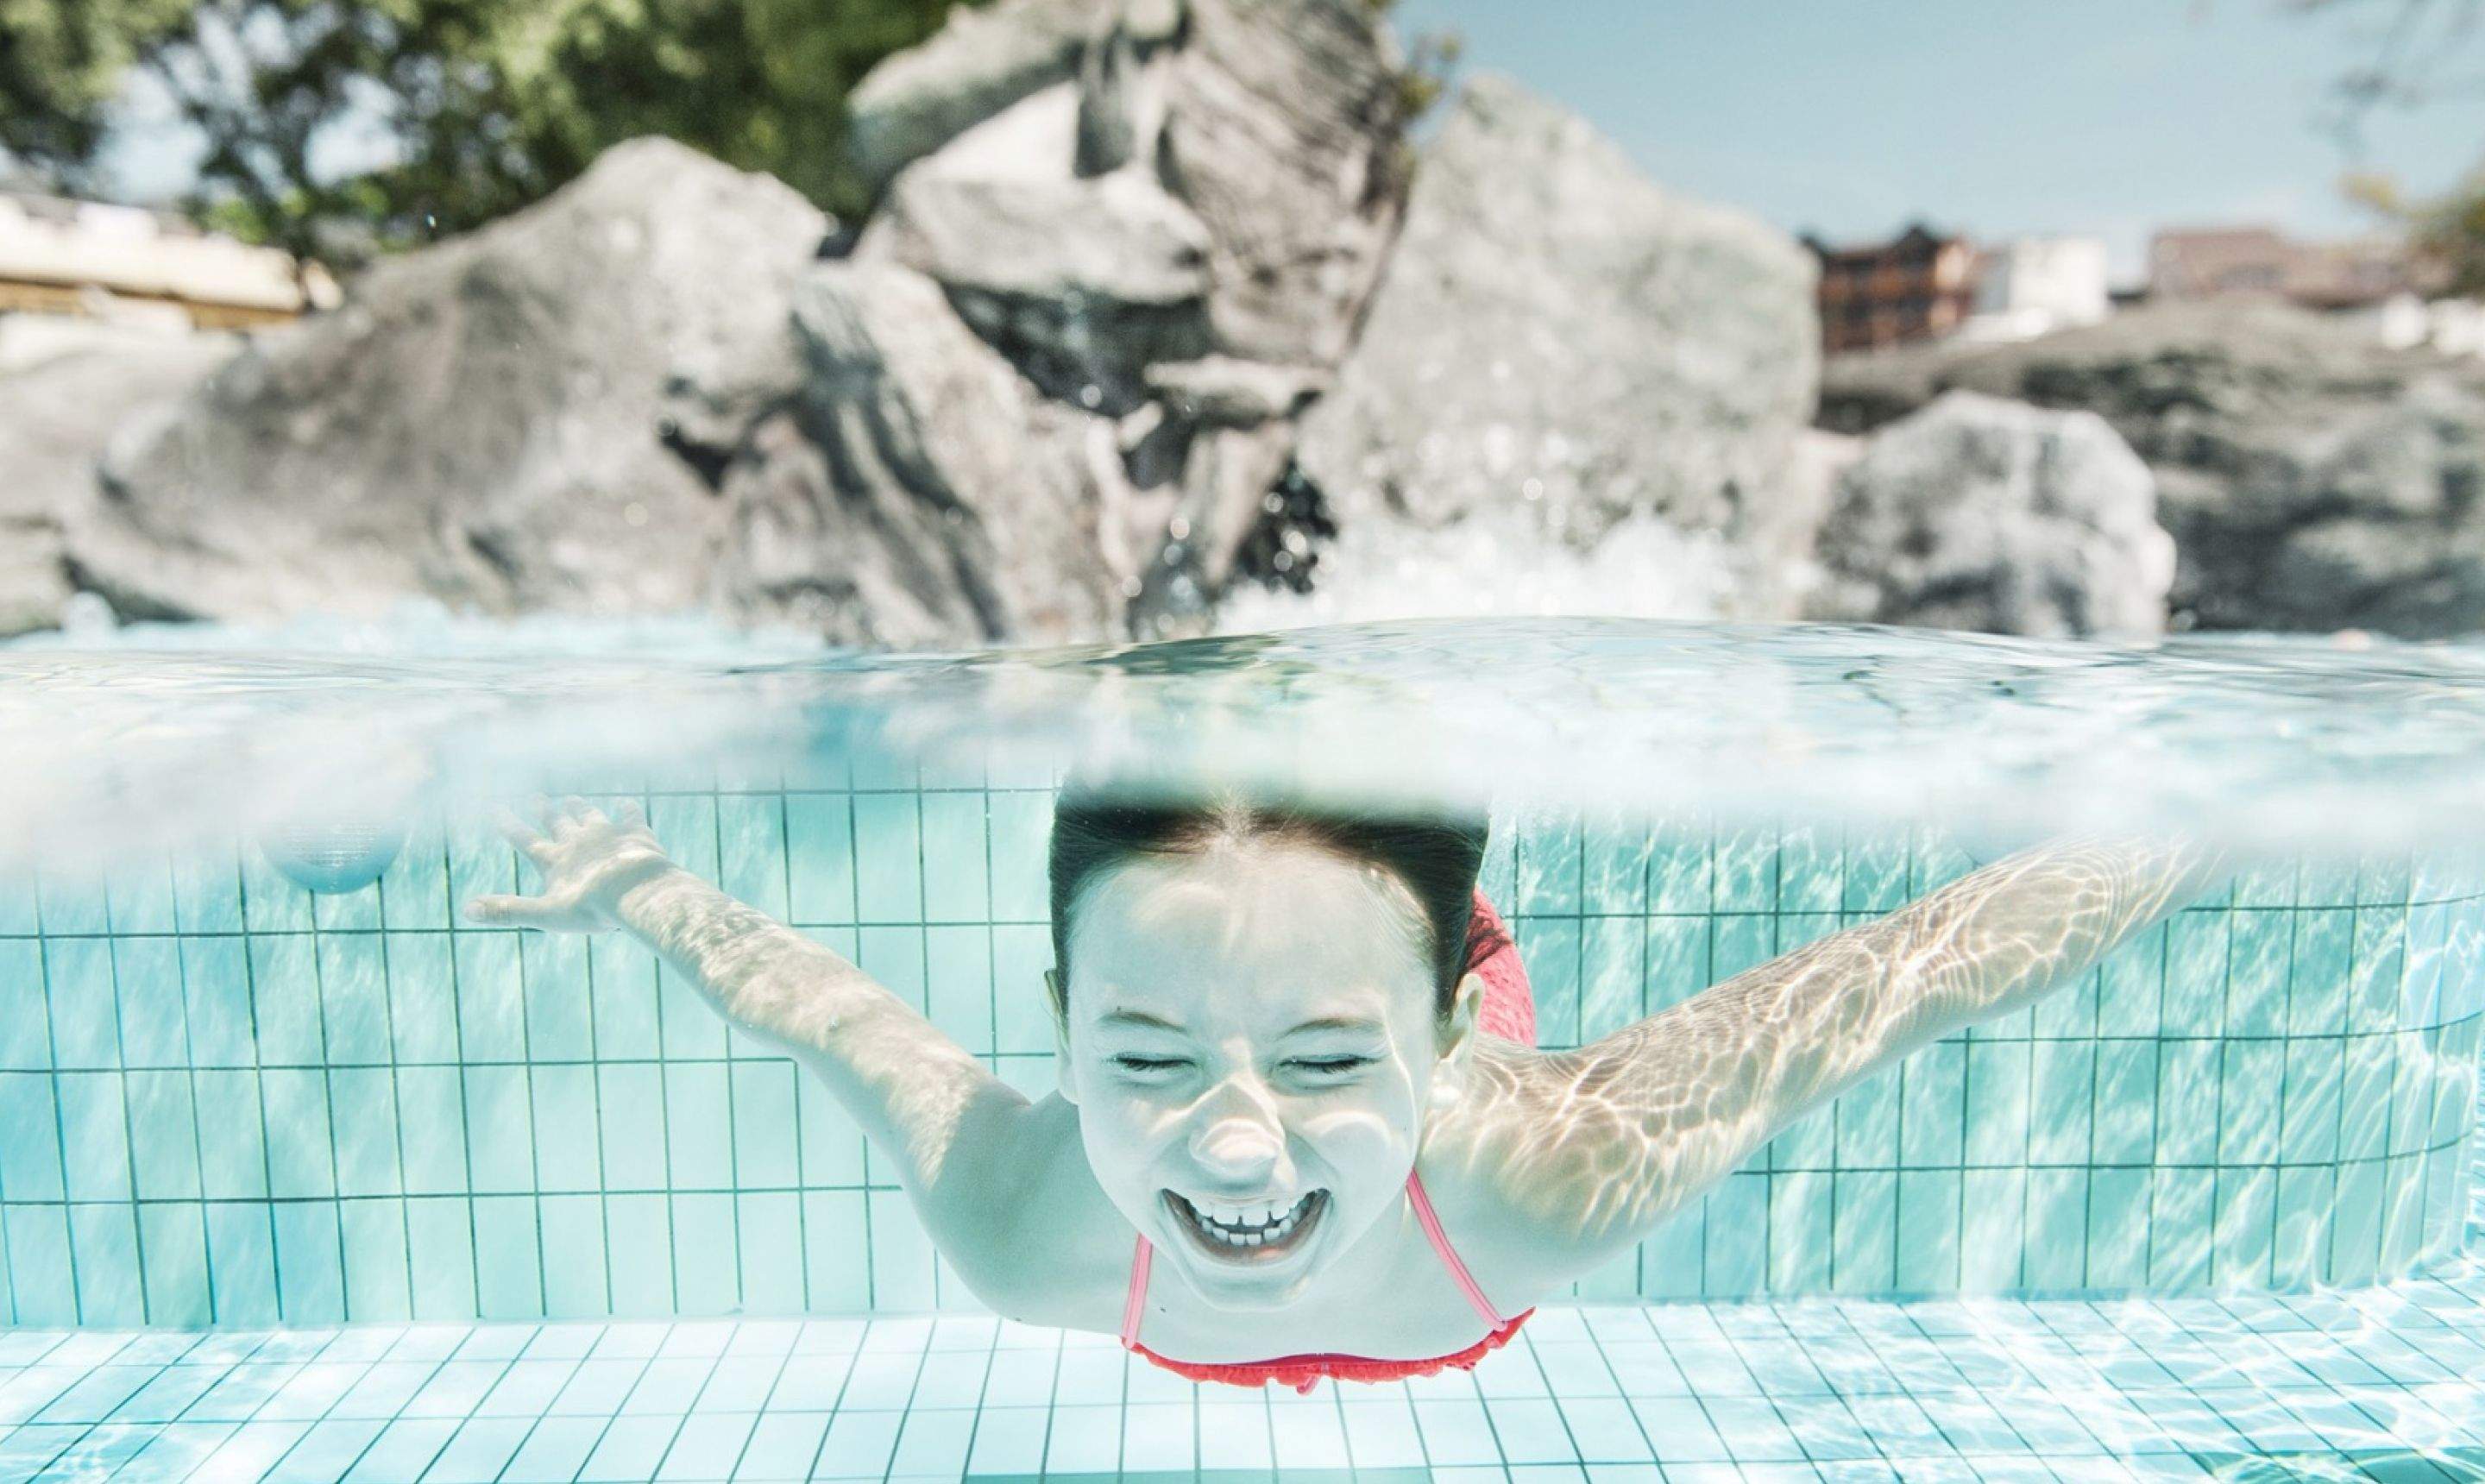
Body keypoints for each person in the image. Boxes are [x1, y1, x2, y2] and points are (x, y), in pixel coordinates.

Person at [467, 787, 2214, 1394]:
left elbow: (1918, 972)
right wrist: (638, 880)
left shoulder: (1543, 1163)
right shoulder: (1025, 1219)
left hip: (1435, 1143)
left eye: (1311, 1062)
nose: (1233, 1143)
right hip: (1393, 1139)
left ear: (1451, 1034)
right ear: (1064, 1020)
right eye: (1143, 1055)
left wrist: (2184, 825)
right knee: (1280, 985)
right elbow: (832, 1014)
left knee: (1345, 955)